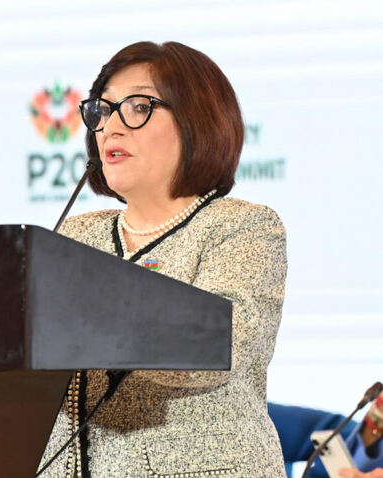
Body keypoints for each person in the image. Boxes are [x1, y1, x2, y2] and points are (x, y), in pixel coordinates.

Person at [37, 41, 288, 477]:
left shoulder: (243, 226)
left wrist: (87, 312)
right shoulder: (78, 234)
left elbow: (221, 344)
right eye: (102, 110)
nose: (111, 128)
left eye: (138, 107)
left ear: (197, 121)